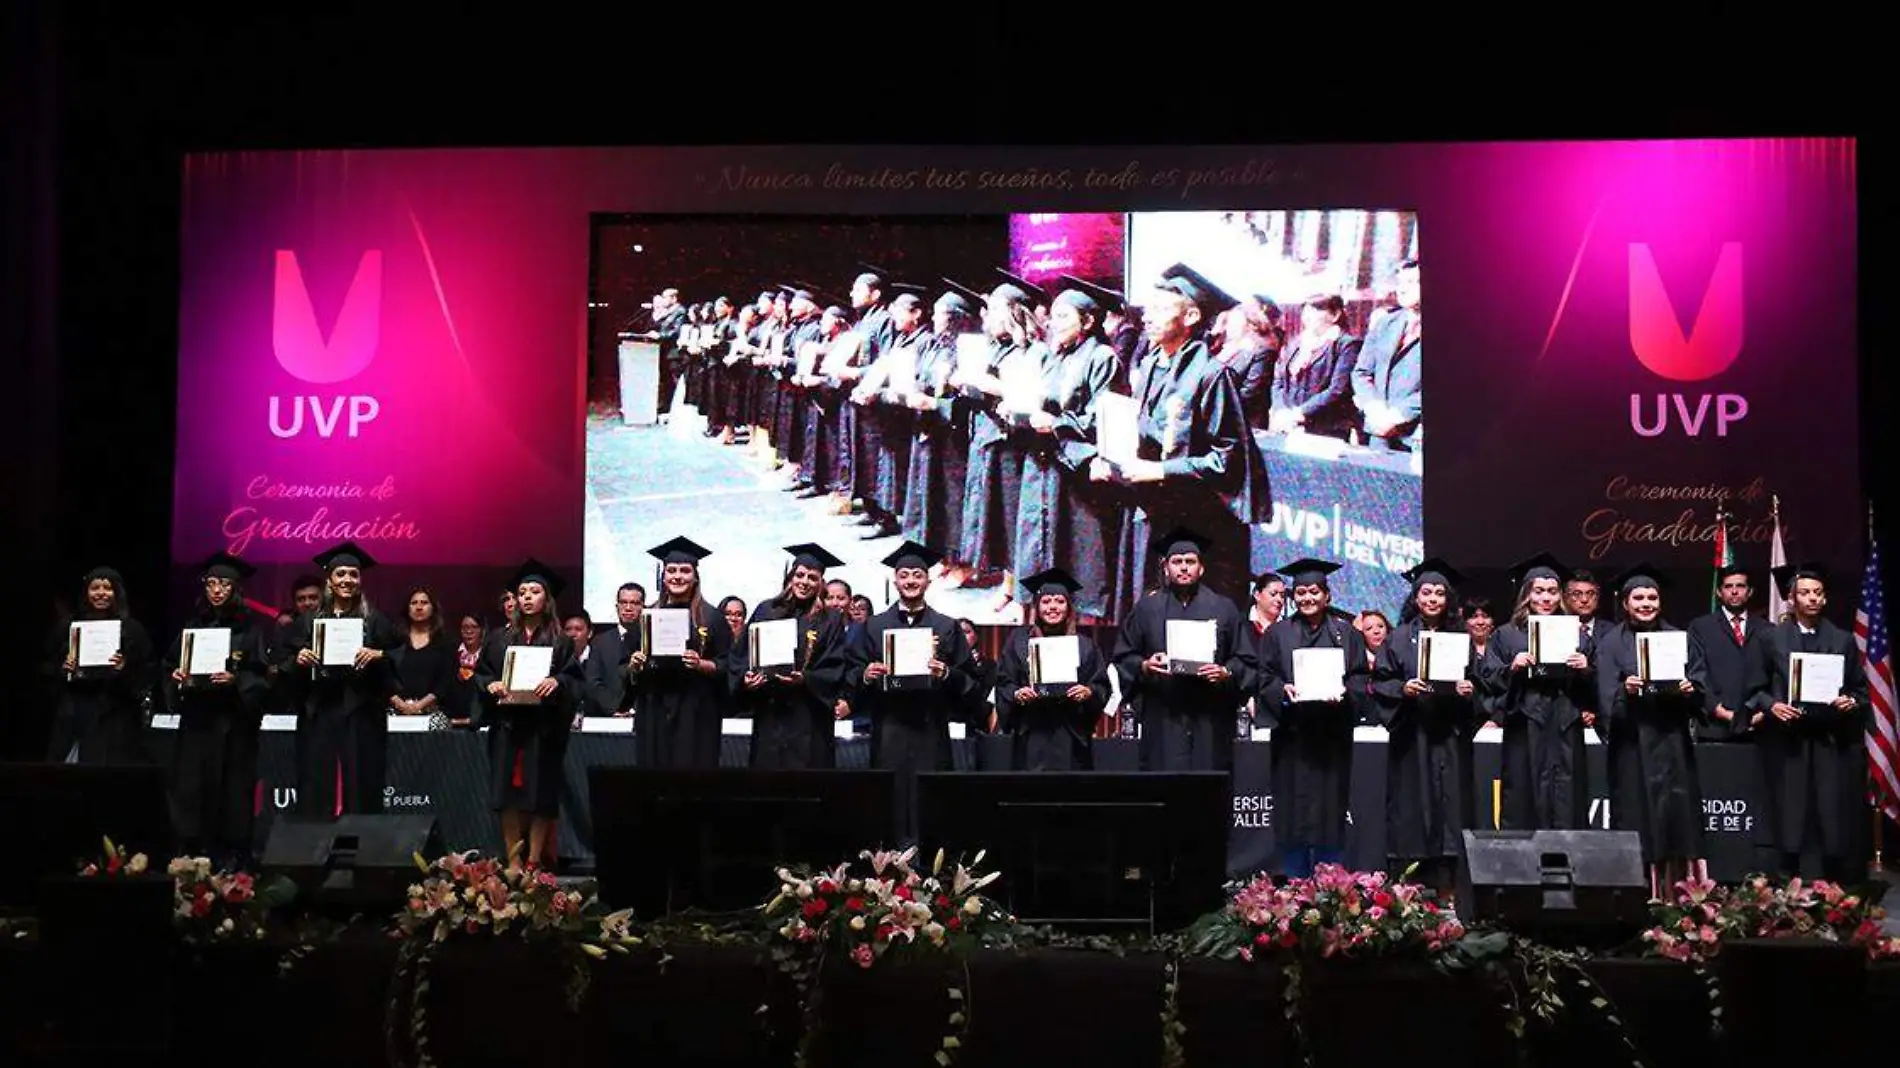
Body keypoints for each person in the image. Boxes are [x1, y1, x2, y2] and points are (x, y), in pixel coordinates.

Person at [844, 540, 978, 842]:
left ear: (928, 581)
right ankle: (886, 880)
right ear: (896, 579)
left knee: (929, 803)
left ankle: (931, 882)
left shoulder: (946, 627)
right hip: (889, 727)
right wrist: (865, 675)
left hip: (930, 728)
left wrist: (947, 673)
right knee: (889, 801)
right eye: (904, 575)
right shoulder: (874, 626)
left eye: (917, 575)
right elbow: (851, 674)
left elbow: (971, 681)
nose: (911, 581)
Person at [1744, 562, 1870, 880]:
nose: (1812, 598)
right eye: (1805, 593)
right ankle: (1785, 883)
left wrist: (1850, 701)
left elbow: (1859, 690)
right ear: (1791, 599)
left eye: (1817, 593)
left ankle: (1828, 886)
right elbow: (1753, 689)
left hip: (1828, 741)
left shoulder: (1842, 640)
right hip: (1787, 742)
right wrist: (1772, 705)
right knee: (1789, 813)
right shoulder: (1771, 639)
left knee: (1827, 813)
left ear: (1825, 599)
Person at [1595, 564, 1706, 893]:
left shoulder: (1678, 639)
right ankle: (1638, 892)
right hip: (1633, 745)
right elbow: (1605, 697)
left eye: (1652, 597)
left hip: (1672, 742)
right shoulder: (1611, 644)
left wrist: (1691, 690)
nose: (1646, 603)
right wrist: (1623, 692)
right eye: (1638, 597)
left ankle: (1678, 895)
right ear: (1626, 603)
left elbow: (1701, 685)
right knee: (1636, 817)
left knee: (1677, 818)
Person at [1372, 558, 1478, 901]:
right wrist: (1402, 689)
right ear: (1416, 597)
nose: (1432, 599)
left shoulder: (1460, 638)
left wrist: (1468, 690)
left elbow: (1480, 682)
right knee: (1412, 806)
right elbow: (1381, 681)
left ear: (1448, 599)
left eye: (1439, 593)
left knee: (1449, 808)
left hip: (1447, 736)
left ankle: (1449, 886)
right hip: (1412, 736)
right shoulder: (1399, 638)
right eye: (1426, 592)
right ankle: (1409, 887)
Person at [1257, 558, 1368, 878]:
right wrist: (1283, 689)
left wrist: (1346, 692)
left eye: (1314, 592)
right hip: (1292, 738)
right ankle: (1294, 883)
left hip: (1331, 738)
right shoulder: (1277, 634)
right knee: (1292, 812)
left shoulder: (1347, 634)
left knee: (1331, 811)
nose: (1308, 598)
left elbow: (1360, 677)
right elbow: (1264, 677)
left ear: (1327, 596)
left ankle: (1330, 885)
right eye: (1301, 592)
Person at [1110, 527, 1255, 771]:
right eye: (1177, 562)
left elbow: (1245, 659)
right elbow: (1124, 656)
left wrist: (1225, 672)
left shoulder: (1224, 608)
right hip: (1164, 714)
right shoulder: (1147, 608)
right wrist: (1145, 666)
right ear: (1166, 568)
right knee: (1165, 787)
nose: (1184, 567)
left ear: (1202, 568)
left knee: (1208, 787)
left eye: (1190, 561)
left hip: (1210, 715)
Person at [275, 541, 400, 818]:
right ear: (329, 580)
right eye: (341, 574)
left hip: (361, 711)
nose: (347, 580)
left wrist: (379, 654)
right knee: (317, 776)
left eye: (353, 574)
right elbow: (282, 662)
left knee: (362, 776)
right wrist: (298, 661)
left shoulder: (375, 620)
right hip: (320, 709)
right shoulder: (309, 621)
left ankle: (360, 844)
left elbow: (398, 655)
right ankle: (316, 847)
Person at [163, 551, 269, 867]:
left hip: (233, 725)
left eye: (224, 583)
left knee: (233, 790)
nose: (217, 590)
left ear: (236, 588)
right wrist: (176, 677)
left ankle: (232, 858)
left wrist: (237, 680)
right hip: (197, 722)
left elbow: (263, 676)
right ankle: (192, 855)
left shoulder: (250, 630)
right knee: (192, 787)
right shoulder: (192, 627)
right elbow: (169, 664)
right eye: (211, 583)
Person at [476, 560, 584, 870]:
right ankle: (513, 860)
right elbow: (481, 677)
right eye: (521, 592)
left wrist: (557, 681)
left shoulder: (561, 641)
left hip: (543, 728)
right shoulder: (498, 639)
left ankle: (535, 859)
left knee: (541, 795)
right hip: (507, 725)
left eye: (534, 591)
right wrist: (491, 684)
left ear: (545, 599)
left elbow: (575, 681)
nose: (526, 597)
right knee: (506, 794)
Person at [1482, 552, 1596, 830]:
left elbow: (1596, 685)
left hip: (1564, 722)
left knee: (1567, 791)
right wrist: (1513, 667)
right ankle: (1523, 863)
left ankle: (1569, 859)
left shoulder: (1578, 634)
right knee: (1523, 789)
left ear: (1561, 597)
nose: (1546, 598)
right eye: (1539, 591)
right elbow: (1488, 677)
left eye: (1552, 592)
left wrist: (1585, 669)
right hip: (1525, 721)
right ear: (1527, 595)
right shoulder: (1506, 634)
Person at [732, 544, 850, 769]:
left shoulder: (830, 619)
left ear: (820, 584)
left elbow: (835, 666)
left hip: (809, 718)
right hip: (770, 714)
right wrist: (745, 679)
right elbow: (741, 657)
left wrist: (805, 679)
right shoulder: (766, 610)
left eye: (813, 578)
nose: (805, 582)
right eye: (800, 575)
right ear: (791, 576)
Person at [630, 537, 733, 769]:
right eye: (671, 570)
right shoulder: (647, 617)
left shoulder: (713, 618)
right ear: (663, 576)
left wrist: (701, 664)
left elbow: (729, 664)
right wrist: (634, 664)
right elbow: (625, 666)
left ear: (695, 576)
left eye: (685, 570)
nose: (678, 576)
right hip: (654, 708)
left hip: (696, 712)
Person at [994, 568, 1111, 770]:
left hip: (1072, 735)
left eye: (1060, 601)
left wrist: (1088, 692)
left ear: (1068, 607)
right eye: (1046, 601)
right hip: (1032, 734)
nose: (1053, 607)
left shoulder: (1084, 645)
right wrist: (1016, 694)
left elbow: (1101, 685)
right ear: (1037, 607)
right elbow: (1004, 682)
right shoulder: (1019, 642)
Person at [45, 565, 156, 764]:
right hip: (75, 710)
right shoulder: (68, 627)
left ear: (117, 593)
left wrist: (124, 669)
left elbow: (146, 672)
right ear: (86, 592)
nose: (101, 594)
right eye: (95, 588)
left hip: (114, 712)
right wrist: (64, 669)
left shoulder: (132, 629)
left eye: (108, 588)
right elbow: (46, 667)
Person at [1686, 562, 1762, 743]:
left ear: (1750, 592)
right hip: (1713, 727)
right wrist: (1719, 710)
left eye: (1740, 586)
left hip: (1758, 725)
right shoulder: (1700, 627)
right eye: (1728, 586)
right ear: (1718, 592)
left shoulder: (1767, 629)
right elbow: (1697, 674)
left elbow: (1771, 675)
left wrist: (1761, 712)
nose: (1734, 591)